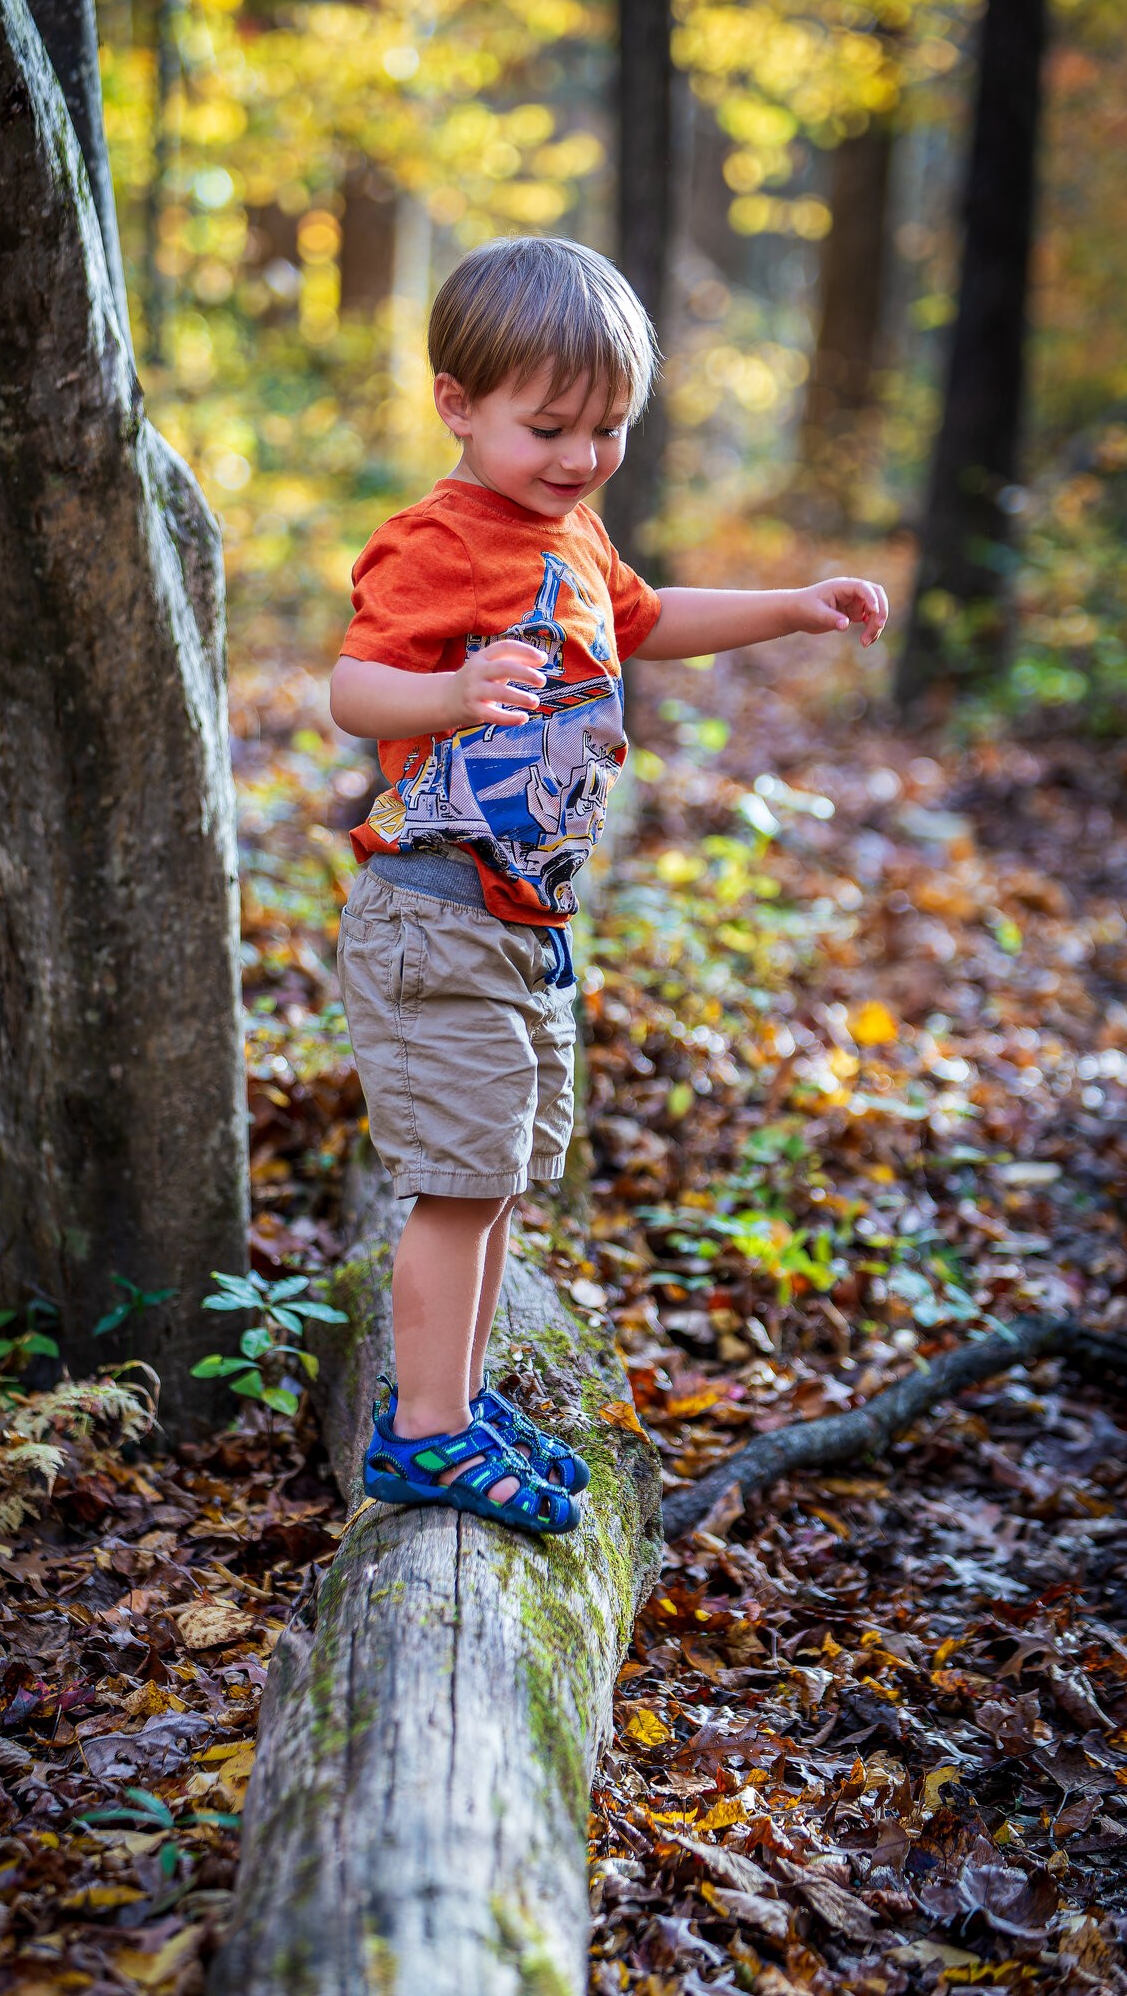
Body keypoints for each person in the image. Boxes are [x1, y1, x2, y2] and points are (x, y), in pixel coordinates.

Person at [329, 235, 886, 1538]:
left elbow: (644, 619)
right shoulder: (437, 540)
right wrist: (452, 692)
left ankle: (453, 1403)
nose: (581, 456)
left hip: (523, 925)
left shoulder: (568, 527)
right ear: (458, 406)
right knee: (458, 1183)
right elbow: (353, 690)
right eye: (550, 426)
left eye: (609, 426)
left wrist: (792, 606)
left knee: (503, 1178)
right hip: (436, 907)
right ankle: (422, 1434)